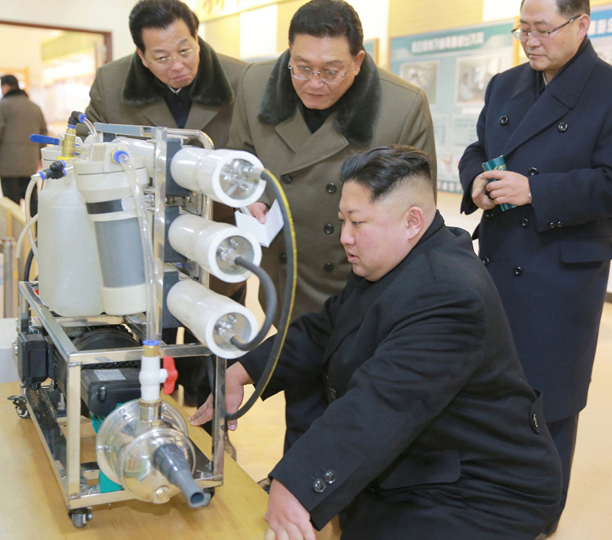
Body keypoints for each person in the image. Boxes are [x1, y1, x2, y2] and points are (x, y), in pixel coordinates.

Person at [190, 145, 562, 540]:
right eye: (342, 221)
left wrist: (296, 483)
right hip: (417, 463)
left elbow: (382, 401)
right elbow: (325, 328)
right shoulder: (394, 258)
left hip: (478, 488)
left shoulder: (449, 293)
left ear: (412, 221)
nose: (345, 238)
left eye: (357, 223)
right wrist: (245, 370)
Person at [228, 0, 437, 452]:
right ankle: (297, 481)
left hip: (360, 281)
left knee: (357, 410)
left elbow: (417, 211)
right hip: (291, 271)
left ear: (358, 60)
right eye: (302, 67)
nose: (314, 83)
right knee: (302, 397)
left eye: (331, 71)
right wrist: (251, 196)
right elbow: (240, 158)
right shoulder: (254, 83)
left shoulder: (402, 106)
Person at [458, 1, 612, 536]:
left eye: (542, 29)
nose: (530, 40)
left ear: (582, 25)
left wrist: (537, 191)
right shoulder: (506, 84)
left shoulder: (606, 89)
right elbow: (478, 148)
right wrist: (476, 182)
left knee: (551, 403)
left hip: (561, 276)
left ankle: (541, 518)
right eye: (523, 28)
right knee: (489, 393)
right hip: (499, 262)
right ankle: (489, 505)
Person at [82, 0, 247, 410]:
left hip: (217, 242)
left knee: (214, 350)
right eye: (161, 56)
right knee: (148, 351)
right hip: (143, 242)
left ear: (197, 37)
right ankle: (151, 427)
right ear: (141, 55)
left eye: (185, 49)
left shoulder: (242, 79)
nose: (177, 64)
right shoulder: (111, 83)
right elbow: (90, 151)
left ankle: (213, 432)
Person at [0, 74, 47, 215]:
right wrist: (40, 157)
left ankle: (17, 230)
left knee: (11, 207)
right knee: (32, 202)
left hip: (8, 166)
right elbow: (43, 133)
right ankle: (35, 228)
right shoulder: (35, 107)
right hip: (30, 164)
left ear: (5, 86)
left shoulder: (3, 106)